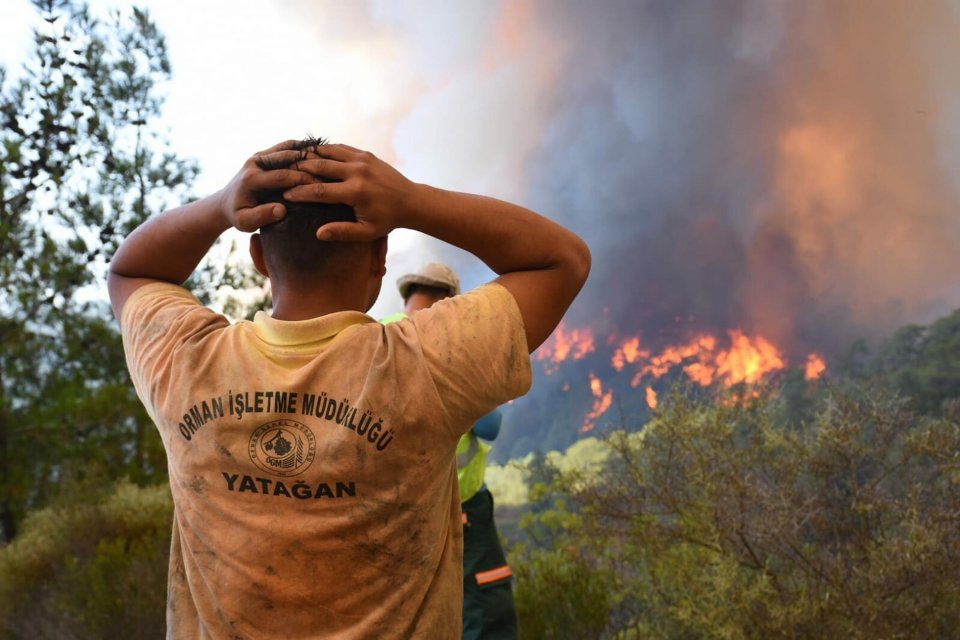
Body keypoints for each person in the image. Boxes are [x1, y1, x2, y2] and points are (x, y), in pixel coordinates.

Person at [108, 138, 590, 639]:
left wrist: (220, 207)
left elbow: (131, 270)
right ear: (380, 255)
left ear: (259, 255)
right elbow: (562, 259)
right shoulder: (426, 365)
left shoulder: (186, 361)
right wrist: (411, 201)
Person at [383, 264, 518, 639]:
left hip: (394, 511)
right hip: (460, 507)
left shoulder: (372, 335)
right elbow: (489, 428)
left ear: (409, 294)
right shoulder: (452, 341)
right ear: (448, 300)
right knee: (483, 604)